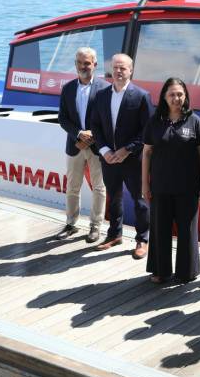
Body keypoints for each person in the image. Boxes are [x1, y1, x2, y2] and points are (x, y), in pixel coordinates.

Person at [142, 77, 200, 284]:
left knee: (188, 231)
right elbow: (147, 153)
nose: (176, 98)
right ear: (164, 97)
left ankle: (186, 272)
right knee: (160, 229)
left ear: (185, 96)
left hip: (188, 187)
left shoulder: (194, 121)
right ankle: (161, 271)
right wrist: (145, 184)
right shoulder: (154, 121)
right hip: (161, 186)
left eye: (180, 94)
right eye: (172, 94)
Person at [90, 53, 152, 259]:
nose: (118, 71)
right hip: (108, 158)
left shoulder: (141, 96)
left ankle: (142, 239)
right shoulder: (101, 95)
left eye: (123, 68)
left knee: (139, 200)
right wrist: (105, 150)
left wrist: (128, 149)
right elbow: (95, 127)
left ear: (131, 70)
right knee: (113, 197)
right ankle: (114, 234)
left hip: (133, 160)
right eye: (115, 67)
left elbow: (147, 131)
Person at [56, 47, 108, 243]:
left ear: (95, 64)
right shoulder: (68, 88)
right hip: (75, 145)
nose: (83, 66)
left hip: (96, 146)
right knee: (72, 186)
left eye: (87, 63)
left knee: (99, 187)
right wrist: (79, 133)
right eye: (79, 63)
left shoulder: (105, 88)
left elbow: (108, 119)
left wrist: (94, 134)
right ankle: (71, 224)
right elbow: (62, 118)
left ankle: (95, 227)